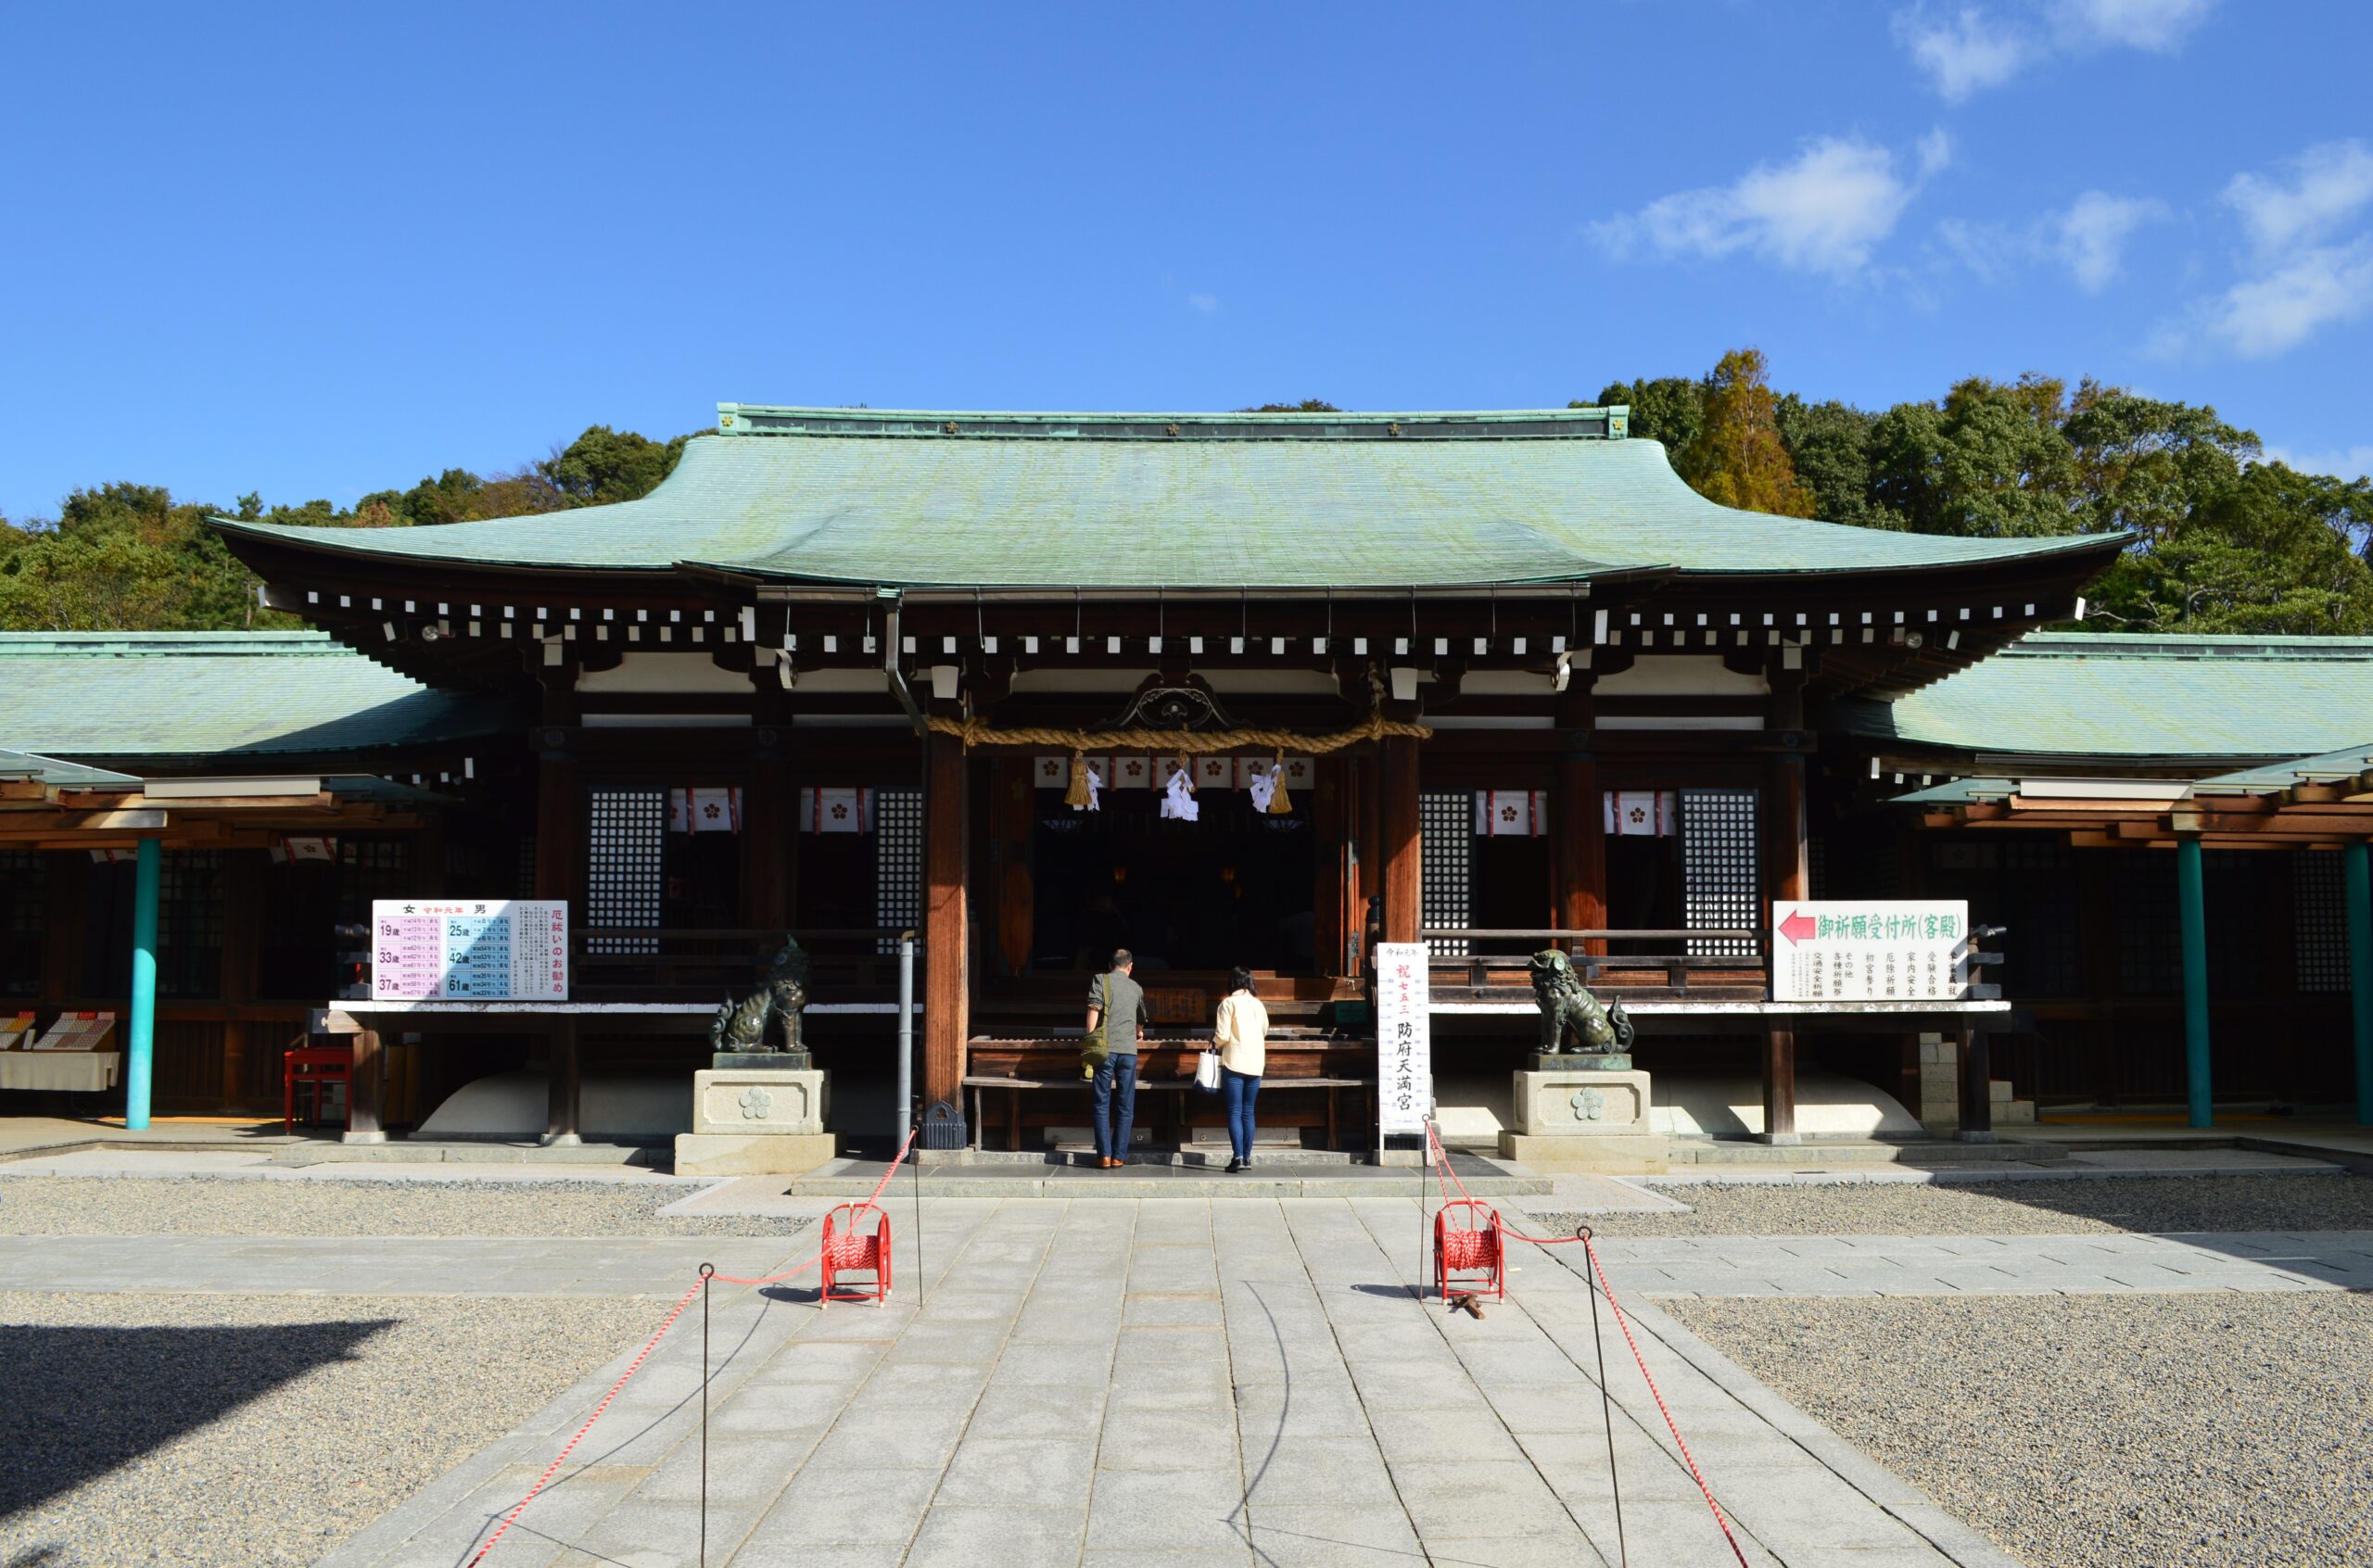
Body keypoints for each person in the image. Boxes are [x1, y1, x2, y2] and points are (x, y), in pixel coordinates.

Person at [1085, 948, 1148, 1170]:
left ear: (1110, 965)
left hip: (1105, 1050)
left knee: (1101, 1103)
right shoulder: (1136, 988)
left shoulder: (1100, 980)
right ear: (1130, 967)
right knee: (1125, 1105)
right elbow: (1140, 1021)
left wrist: (1091, 1040)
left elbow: (1093, 1010)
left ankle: (1104, 1156)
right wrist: (1138, 1032)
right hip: (1128, 1052)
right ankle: (1119, 1157)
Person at [1212, 966, 1269, 1173]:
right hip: (1256, 1063)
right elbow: (1264, 1030)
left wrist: (1212, 1043)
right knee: (1248, 1111)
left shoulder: (1228, 1003)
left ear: (1232, 982)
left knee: (1235, 1111)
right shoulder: (1258, 1004)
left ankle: (1237, 1158)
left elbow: (1222, 1035)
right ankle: (1247, 1157)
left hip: (1235, 1062)